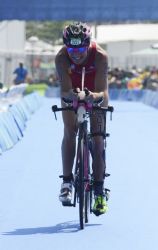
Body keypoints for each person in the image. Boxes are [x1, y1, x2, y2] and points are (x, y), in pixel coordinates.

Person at [55, 22, 109, 216]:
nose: (75, 53)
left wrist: (92, 97)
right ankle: (67, 181)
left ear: (88, 44)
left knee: (97, 138)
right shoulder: (61, 58)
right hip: (72, 92)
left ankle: (99, 191)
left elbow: (102, 91)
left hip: (95, 90)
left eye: (80, 48)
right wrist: (75, 96)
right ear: (65, 46)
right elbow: (64, 91)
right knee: (70, 131)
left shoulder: (101, 56)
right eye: (71, 48)